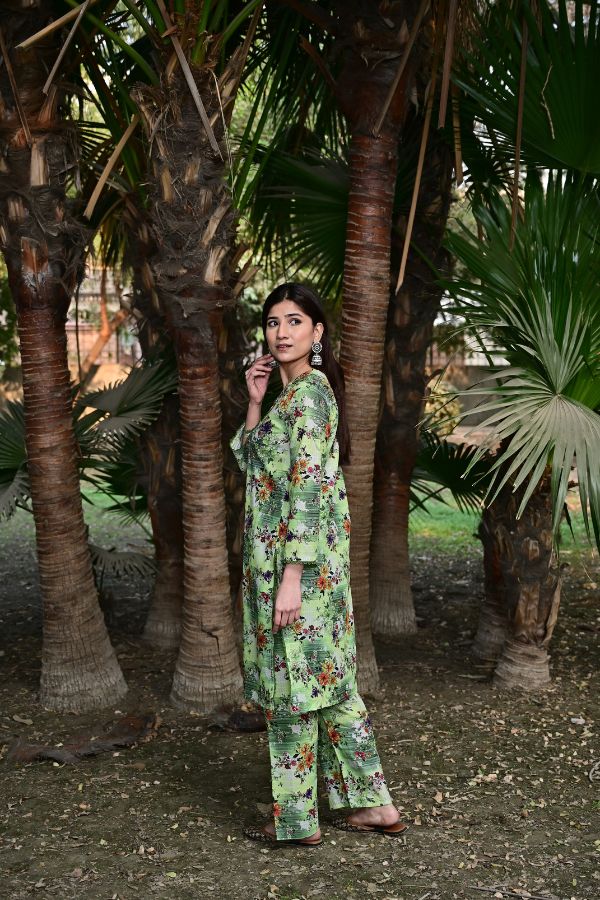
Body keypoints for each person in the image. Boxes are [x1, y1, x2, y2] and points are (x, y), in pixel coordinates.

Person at [229, 283, 407, 847]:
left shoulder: (310, 395)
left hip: (298, 565)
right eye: (274, 322)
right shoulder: (293, 396)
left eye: (295, 321)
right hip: (294, 561)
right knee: (329, 684)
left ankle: (297, 822)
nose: (281, 332)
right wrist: (255, 400)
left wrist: (291, 578)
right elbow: (256, 466)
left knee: (292, 686)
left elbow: (309, 489)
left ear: (318, 332)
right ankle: (376, 806)